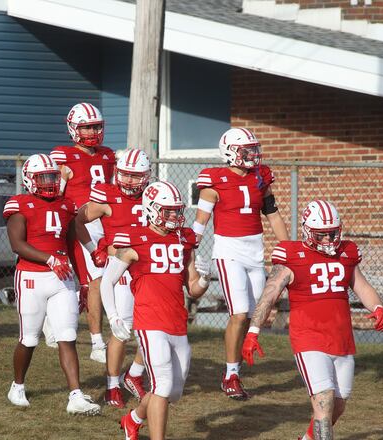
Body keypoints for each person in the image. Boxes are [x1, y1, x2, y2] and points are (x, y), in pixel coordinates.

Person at [241, 200, 383, 440]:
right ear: (308, 232)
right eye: (323, 235)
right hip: (308, 339)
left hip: (341, 340)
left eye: (333, 233)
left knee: (338, 405)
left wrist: (378, 307)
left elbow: (360, 285)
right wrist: (253, 330)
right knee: (324, 401)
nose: (330, 240)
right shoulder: (292, 255)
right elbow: (269, 294)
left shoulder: (347, 252)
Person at [102, 181, 210, 440]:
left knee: (173, 391)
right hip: (149, 323)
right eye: (168, 211)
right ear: (151, 209)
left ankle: (134, 418)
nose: (174, 216)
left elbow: (193, 288)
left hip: (177, 323)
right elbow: (107, 281)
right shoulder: (134, 239)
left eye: (177, 211)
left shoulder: (184, 239)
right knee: (162, 384)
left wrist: (205, 280)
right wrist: (114, 316)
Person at [192, 127, 288, 399]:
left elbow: (273, 216)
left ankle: (235, 368)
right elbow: (200, 224)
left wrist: (288, 249)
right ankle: (231, 375)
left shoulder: (261, 176)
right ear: (230, 152)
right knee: (238, 311)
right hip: (228, 251)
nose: (253, 155)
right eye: (246, 150)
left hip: (255, 253)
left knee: (253, 313)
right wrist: (188, 252)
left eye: (254, 149)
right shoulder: (214, 180)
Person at [3, 153, 101, 415]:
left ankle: (76, 395)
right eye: (43, 178)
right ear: (29, 180)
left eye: (52, 177)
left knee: (67, 336)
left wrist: (83, 281)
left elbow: (72, 245)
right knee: (29, 339)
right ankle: (18, 385)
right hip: (32, 277)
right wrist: (49, 259)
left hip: (63, 279)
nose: (49, 183)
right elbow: (17, 244)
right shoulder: (19, 204)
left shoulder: (66, 204)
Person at [75, 148, 151, 407]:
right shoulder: (107, 196)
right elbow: (78, 221)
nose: (129, 181)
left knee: (155, 328)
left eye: (135, 176)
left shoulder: (154, 196)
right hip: (121, 271)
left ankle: (135, 374)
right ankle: (112, 385)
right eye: (125, 175)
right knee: (122, 330)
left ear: (147, 176)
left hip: (150, 270)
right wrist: (93, 247)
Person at [49, 102, 116, 363]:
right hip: (77, 224)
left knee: (102, 280)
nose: (92, 131)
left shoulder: (108, 155)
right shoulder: (62, 154)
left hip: (104, 224)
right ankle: (97, 342)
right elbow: (54, 193)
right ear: (73, 128)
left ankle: (54, 323)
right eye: (86, 126)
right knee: (91, 281)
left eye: (96, 126)